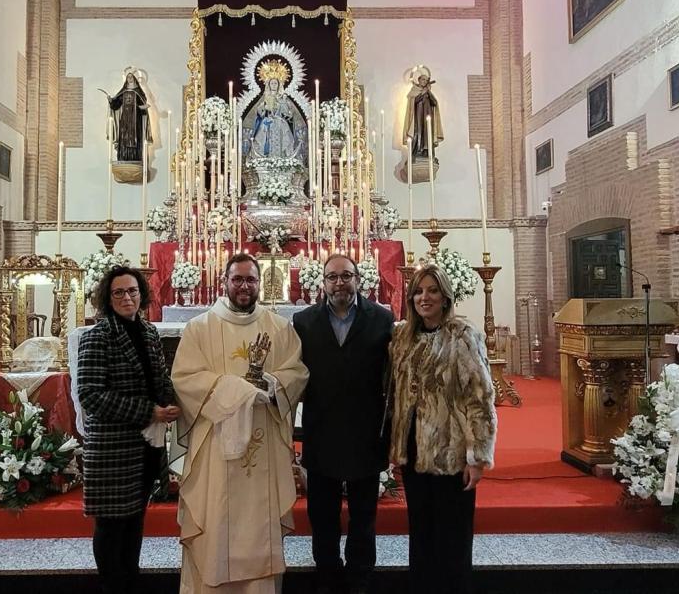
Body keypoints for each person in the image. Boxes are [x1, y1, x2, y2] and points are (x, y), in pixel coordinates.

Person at [171, 253, 309, 593]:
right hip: (216, 446)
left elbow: (297, 373)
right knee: (216, 523)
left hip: (264, 444)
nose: (244, 286)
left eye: (250, 280)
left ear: (261, 284)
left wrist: (270, 385)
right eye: (237, 279)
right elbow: (185, 379)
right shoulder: (200, 328)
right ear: (225, 282)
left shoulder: (279, 328)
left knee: (258, 526)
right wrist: (237, 390)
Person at [387, 265, 496, 594]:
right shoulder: (402, 337)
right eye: (419, 291)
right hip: (413, 450)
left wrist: (477, 457)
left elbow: (480, 397)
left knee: (453, 540)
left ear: (445, 297)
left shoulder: (463, 335)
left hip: (451, 453)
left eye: (433, 290)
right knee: (421, 535)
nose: (425, 297)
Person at [292, 254, 394, 594]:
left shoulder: (382, 319)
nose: (340, 283)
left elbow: (391, 377)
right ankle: (327, 576)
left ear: (357, 280)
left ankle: (360, 579)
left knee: (364, 517)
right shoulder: (303, 321)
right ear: (323, 282)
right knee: (323, 516)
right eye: (333, 277)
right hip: (322, 432)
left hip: (366, 433)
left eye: (346, 276)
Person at [77, 267, 179, 594]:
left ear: (141, 294)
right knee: (111, 526)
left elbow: (159, 378)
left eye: (132, 291)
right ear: (107, 298)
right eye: (119, 292)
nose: (127, 297)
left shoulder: (148, 332)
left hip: (144, 446)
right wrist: (149, 411)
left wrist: (173, 402)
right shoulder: (97, 336)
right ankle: (112, 586)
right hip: (113, 448)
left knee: (135, 521)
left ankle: (129, 582)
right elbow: (90, 395)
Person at [108, 71, 151, 163]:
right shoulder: (123, 91)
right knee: (124, 136)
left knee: (136, 137)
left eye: (131, 76)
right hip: (125, 119)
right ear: (126, 79)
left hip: (136, 119)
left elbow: (143, 104)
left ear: (134, 79)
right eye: (128, 77)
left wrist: (143, 107)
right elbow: (116, 105)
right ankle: (123, 158)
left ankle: (136, 159)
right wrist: (111, 101)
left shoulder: (138, 92)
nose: (130, 78)